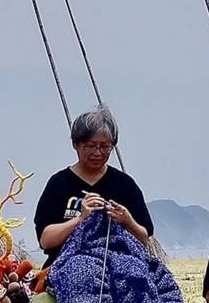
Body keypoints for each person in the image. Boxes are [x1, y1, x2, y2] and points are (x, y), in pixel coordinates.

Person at [33, 106, 155, 268]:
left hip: (118, 267)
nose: (98, 153)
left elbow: (144, 238)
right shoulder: (59, 183)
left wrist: (127, 220)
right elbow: (46, 240)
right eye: (90, 146)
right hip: (66, 266)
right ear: (76, 144)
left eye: (105, 147)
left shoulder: (125, 184)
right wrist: (80, 219)